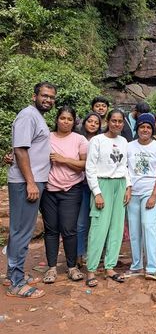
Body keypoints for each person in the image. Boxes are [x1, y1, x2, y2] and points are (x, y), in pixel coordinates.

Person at [6, 81, 57, 299]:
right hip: (26, 182)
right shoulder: (28, 115)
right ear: (34, 96)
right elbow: (20, 150)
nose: (48, 100)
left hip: (32, 180)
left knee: (20, 230)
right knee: (22, 231)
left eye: (51, 97)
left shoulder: (36, 116)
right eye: (44, 95)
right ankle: (16, 283)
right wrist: (30, 182)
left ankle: (14, 274)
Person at [40, 106, 88, 284]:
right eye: (62, 118)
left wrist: (64, 159)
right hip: (49, 190)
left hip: (71, 189)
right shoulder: (47, 137)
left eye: (69, 119)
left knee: (69, 230)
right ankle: (51, 268)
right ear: (57, 119)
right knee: (51, 230)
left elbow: (84, 164)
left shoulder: (79, 139)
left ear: (74, 121)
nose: (65, 121)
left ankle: (71, 267)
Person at [85, 109, 132, 287]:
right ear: (108, 121)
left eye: (120, 121)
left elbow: (125, 165)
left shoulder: (124, 141)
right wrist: (97, 192)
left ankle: (110, 267)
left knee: (116, 228)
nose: (117, 124)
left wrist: (128, 186)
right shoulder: (97, 140)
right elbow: (90, 168)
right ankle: (91, 269)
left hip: (119, 185)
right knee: (98, 227)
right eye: (114, 121)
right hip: (102, 184)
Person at [126, 113, 156, 280]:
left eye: (148, 127)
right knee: (134, 230)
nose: (145, 129)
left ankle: (151, 267)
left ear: (152, 130)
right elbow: (124, 168)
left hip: (150, 192)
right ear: (137, 128)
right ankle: (136, 265)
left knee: (148, 226)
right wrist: (128, 188)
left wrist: (154, 195)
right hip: (132, 193)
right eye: (142, 126)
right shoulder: (129, 146)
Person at [76, 112, 102, 266]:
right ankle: (79, 254)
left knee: (98, 222)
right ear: (84, 123)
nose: (93, 124)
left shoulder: (102, 140)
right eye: (90, 121)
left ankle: (95, 254)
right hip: (82, 185)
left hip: (100, 186)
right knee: (81, 222)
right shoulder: (78, 139)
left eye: (96, 122)